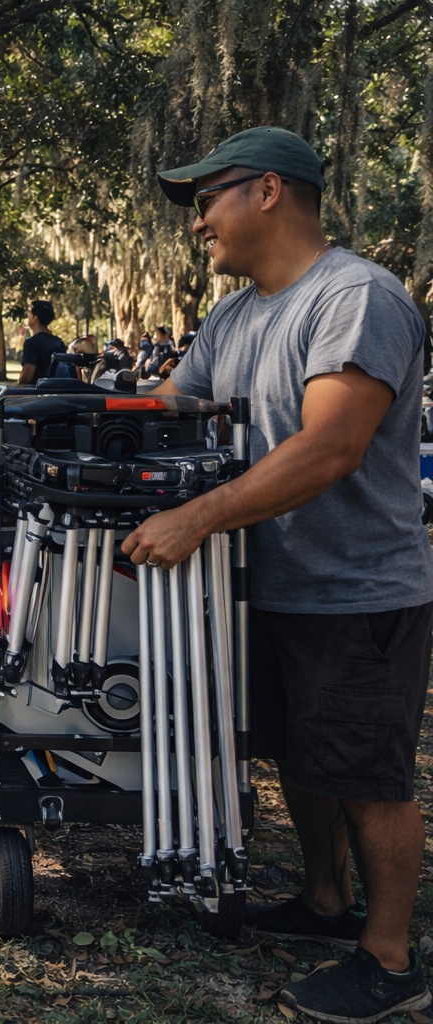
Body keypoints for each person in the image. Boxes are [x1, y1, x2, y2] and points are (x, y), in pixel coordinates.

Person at [130, 125, 433, 1023]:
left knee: (371, 777)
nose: (196, 222)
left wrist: (195, 518)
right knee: (303, 755)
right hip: (268, 583)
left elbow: (331, 446)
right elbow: (169, 404)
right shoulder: (233, 316)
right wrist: (56, 412)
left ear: (267, 191)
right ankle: (325, 900)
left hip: (358, 590)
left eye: (206, 200)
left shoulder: (355, 297)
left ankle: (390, 960)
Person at [14, 300, 65, 387]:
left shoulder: (32, 343)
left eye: (30, 314)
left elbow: (26, 378)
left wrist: (17, 387)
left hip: (36, 392)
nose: (28, 317)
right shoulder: (59, 343)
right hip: (56, 391)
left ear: (35, 317)